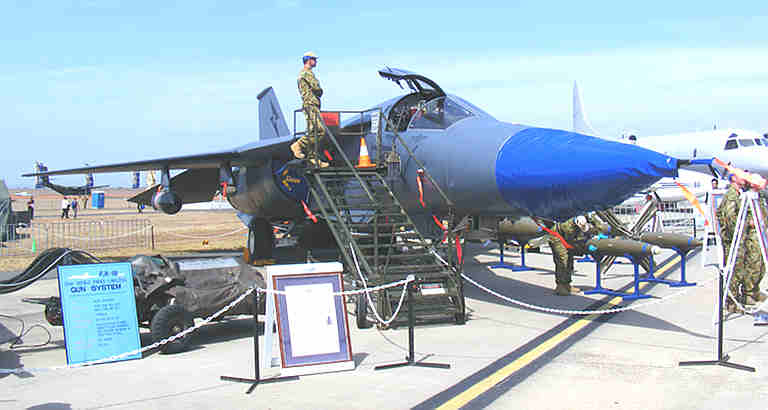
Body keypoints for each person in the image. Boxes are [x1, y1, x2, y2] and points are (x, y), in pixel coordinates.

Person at [717, 173, 767, 312]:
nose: (745, 178)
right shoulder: (732, 195)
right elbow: (730, 219)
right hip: (734, 239)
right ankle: (730, 301)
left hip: (740, 237)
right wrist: (747, 224)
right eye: (741, 176)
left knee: (745, 268)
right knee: (734, 270)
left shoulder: (741, 194)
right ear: (733, 178)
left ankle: (745, 295)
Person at [548, 214, 602, 296]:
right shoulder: (568, 227)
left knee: (570, 259)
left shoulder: (584, 215)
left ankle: (567, 285)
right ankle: (560, 286)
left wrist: (598, 232)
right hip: (557, 238)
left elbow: (594, 222)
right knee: (563, 260)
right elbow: (573, 241)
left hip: (565, 237)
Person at [291, 51, 328, 168]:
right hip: (311, 105)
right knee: (320, 131)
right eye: (314, 59)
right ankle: (298, 145)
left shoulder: (305, 73)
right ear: (308, 60)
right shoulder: (306, 73)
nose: (316, 61)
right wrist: (320, 91)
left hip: (311, 105)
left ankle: (313, 158)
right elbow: (317, 88)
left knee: (314, 131)